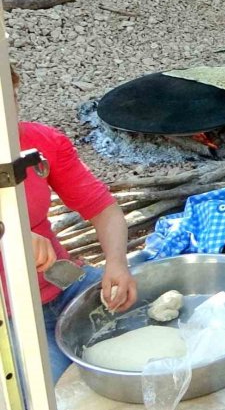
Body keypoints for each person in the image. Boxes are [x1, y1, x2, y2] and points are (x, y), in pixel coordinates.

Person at [4, 64, 137, 382]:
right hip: (9, 320)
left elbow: (103, 208)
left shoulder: (39, 143)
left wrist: (116, 264)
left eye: (12, 101)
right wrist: (10, 238)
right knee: (55, 391)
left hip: (65, 286)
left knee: (150, 320)